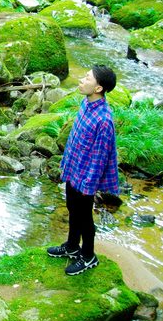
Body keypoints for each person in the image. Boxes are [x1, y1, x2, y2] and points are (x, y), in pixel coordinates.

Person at [47, 65, 119, 276]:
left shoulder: (104, 120)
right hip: (74, 169)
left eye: (87, 78)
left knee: (84, 215)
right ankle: (72, 245)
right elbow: (74, 139)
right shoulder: (86, 104)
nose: (82, 80)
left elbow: (100, 157)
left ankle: (88, 256)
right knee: (71, 207)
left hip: (87, 177)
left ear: (98, 88)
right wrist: (65, 165)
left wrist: (89, 185)